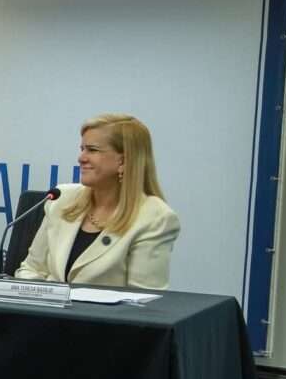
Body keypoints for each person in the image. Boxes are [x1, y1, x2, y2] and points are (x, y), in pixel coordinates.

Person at [15, 113, 180, 289]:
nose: (81, 158)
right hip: (45, 315)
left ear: (123, 161)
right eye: (82, 149)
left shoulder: (155, 218)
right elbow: (31, 269)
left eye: (92, 150)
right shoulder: (61, 198)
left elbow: (142, 301)